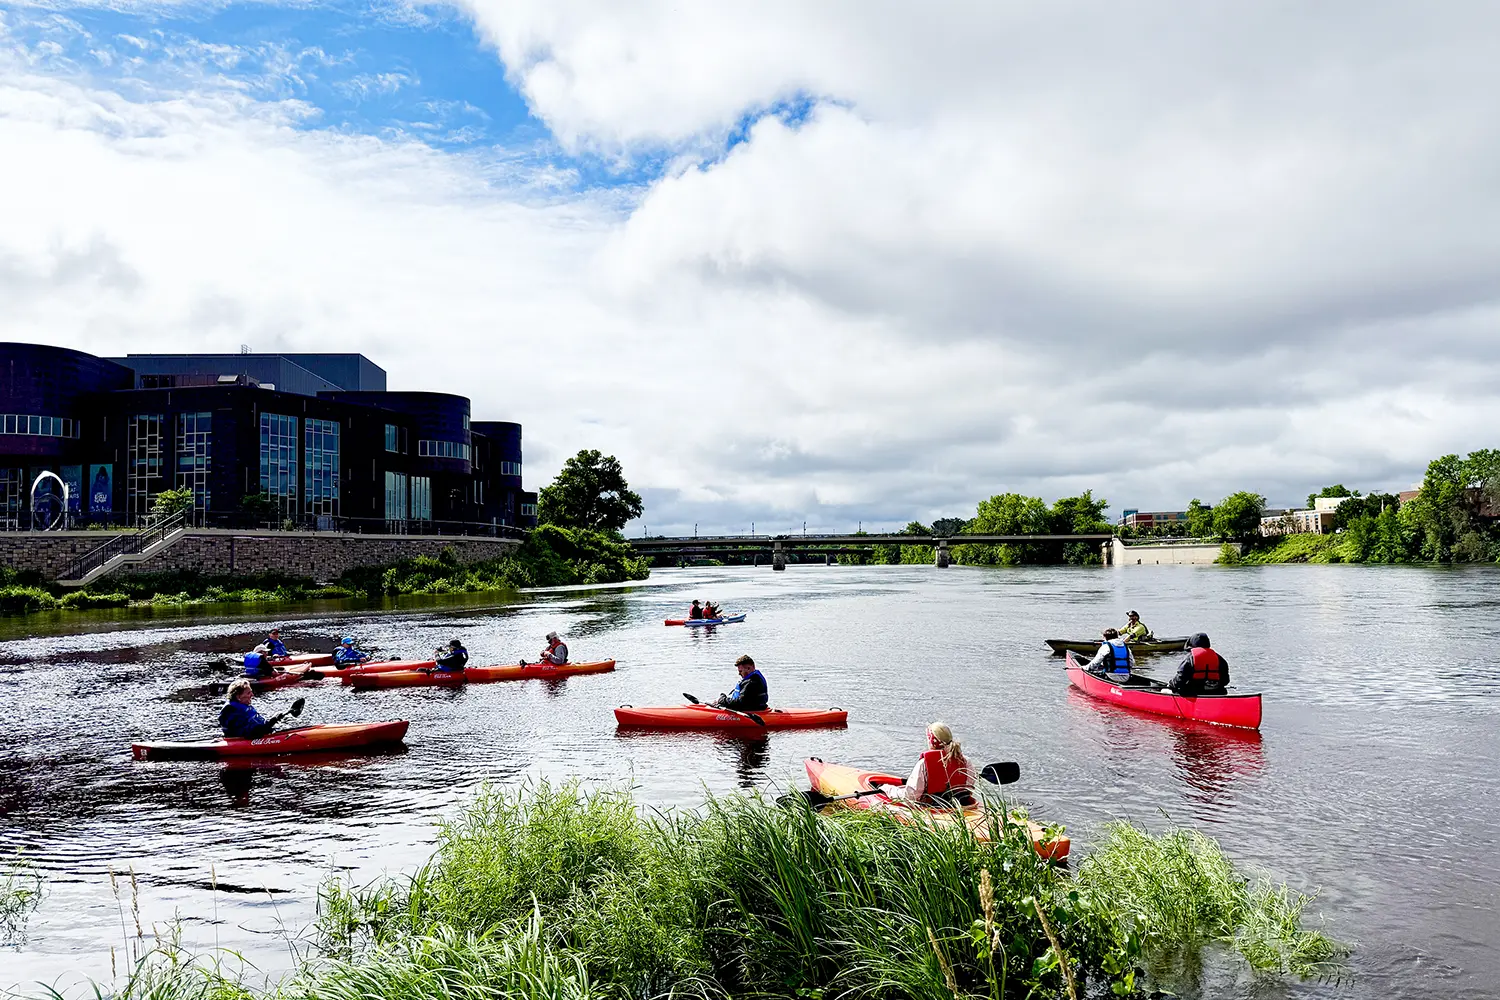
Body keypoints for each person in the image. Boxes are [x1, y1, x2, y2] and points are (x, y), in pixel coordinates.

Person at [883, 722, 975, 806]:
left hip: (933, 810)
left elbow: (910, 797)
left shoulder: (923, 764)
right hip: (959, 807)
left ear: (932, 741)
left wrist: (889, 789)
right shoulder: (966, 762)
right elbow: (968, 789)